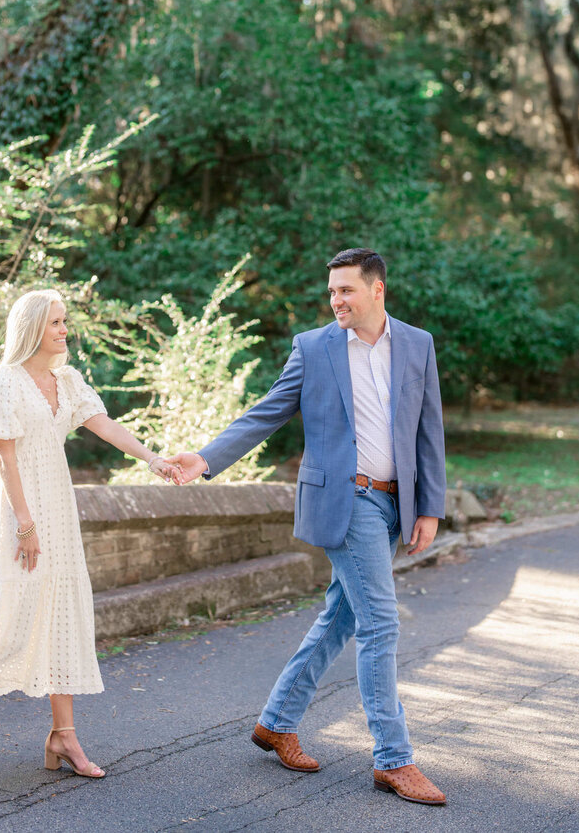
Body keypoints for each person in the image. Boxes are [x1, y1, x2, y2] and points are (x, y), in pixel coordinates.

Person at [166, 249, 447, 806]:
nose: (337, 301)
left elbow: (428, 429)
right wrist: (205, 457)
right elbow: (268, 411)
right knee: (381, 625)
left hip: (396, 504)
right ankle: (394, 759)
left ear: (378, 290)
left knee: (343, 617)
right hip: (347, 502)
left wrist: (430, 507)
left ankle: (277, 721)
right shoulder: (314, 348)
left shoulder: (417, 344)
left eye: (347, 290)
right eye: (332, 292)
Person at [0, 288, 180, 776]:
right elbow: (5, 458)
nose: (64, 329)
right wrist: (25, 526)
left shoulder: (67, 379)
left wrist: (154, 460)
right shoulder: (1, 381)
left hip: (59, 504)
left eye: (64, 321)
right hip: (19, 509)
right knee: (4, 606)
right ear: (33, 327)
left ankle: (64, 736)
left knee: (61, 609)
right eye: (56, 322)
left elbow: (106, 426)